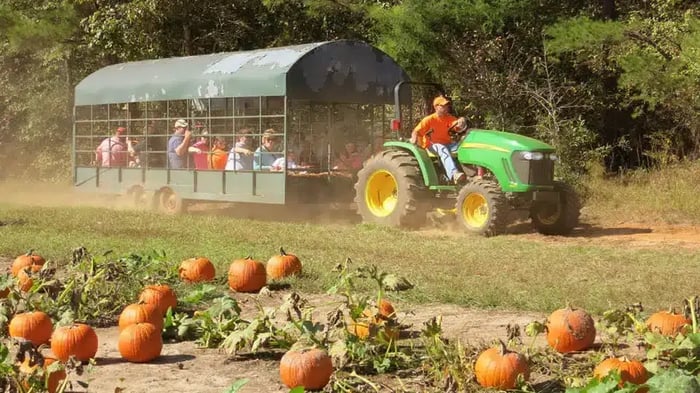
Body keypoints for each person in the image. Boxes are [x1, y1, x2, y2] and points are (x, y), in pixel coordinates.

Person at [410, 95, 467, 184]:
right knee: (442, 148)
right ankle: (454, 174)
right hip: (432, 145)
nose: (446, 108)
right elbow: (416, 131)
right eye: (443, 106)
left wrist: (461, 121)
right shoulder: (429, 120)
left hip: (448, 144)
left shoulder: (449, 118)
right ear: (436, 107)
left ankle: (473, 174)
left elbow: (457, 126)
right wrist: (414, 139)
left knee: (464, 146)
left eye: (446, 106)